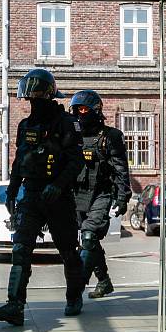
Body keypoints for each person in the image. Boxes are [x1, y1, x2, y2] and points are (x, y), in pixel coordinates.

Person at [0, 69, 86, 325]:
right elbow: (19, 162)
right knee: (20, 250)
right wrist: (11, 192)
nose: (33, 101)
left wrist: (58, 185)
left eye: (37, 95)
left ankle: (74, 295)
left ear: (49, 95)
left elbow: (77, 162)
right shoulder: (25, 126)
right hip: (31, 195)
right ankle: (15, 305)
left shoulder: (67, 123)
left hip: (58, 197)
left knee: (67, 249)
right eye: (29, 96)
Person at [69, 90, 131, 299]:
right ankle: (104, 281)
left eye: (84, 109)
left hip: (101, 194)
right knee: (89, 242)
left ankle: (76, 291)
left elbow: (121, 170)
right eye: (76, 109)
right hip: (77, 195)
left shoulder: (110, 137)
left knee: (89, 236)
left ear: (95, 111)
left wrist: (123, 198)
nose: (80, 113)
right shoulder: (72, 135)